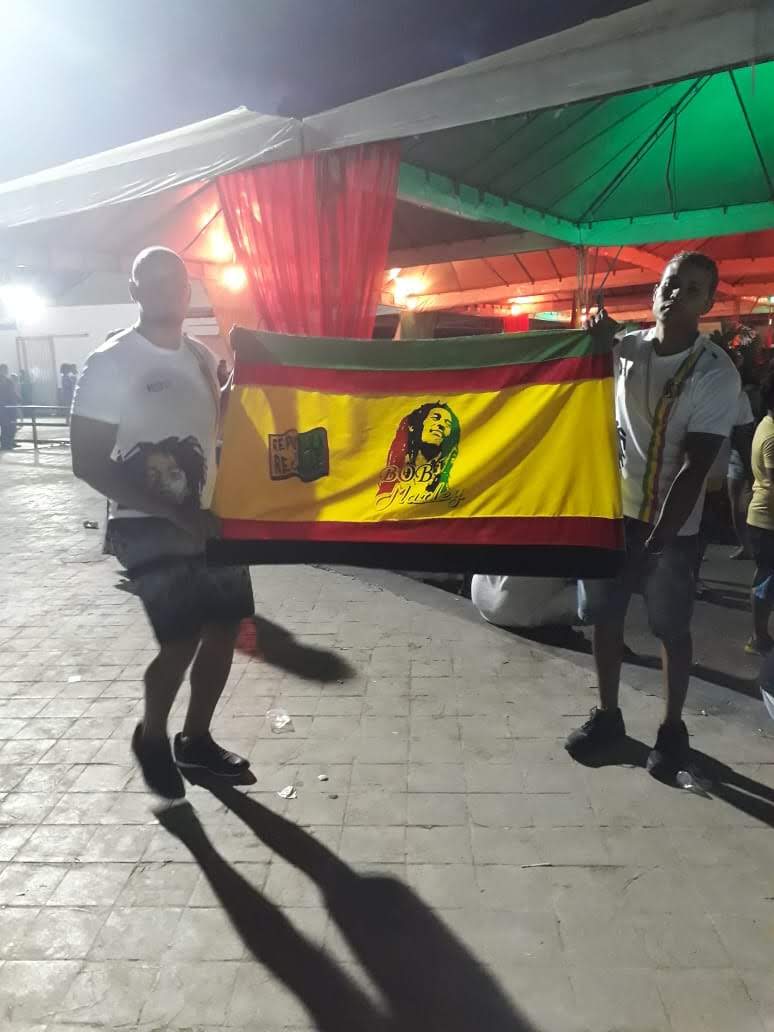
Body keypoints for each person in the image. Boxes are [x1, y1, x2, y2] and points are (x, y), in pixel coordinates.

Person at [71, 246, 255, 801]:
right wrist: (173, 511)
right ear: (134, 290)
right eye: (151, 281)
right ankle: (151, 736)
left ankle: (195, 740)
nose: (166, 289)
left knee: (224, 628)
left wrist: (239, 387)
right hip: (146, 522)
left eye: (174, 280)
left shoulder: (200, 356)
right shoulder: (110, 362)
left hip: (208, 518)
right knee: (180, 640)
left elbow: (217, 425)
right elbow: (87, 461)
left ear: (186, 289)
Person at [567, 252, 740, 778]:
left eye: (692, 289)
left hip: (672, 529)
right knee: (605, 618)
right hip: (611, 514)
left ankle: (671, 727)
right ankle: (608, 715)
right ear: (655, 290)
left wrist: (659, 538)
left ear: (707, 303)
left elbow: (696, 465)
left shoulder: (714, 373)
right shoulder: (626, 349)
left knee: (670, 628)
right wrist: (590, 337)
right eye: (669, 283)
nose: (675, 294)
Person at [745, 372, 774, 655]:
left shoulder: (765, 424)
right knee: (766, 580)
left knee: (766, 577)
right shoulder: (772, 435)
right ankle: (759, 637)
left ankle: (759, 635)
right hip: (767, 518)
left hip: (763, 515)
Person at [0, 364, 20, 450]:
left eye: (5, 370)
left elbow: (13, 391)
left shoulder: (9, 381)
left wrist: (18, 398)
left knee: (11, 426)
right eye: (3, 370)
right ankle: (5, 444)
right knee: (5, 426)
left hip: (11, 407)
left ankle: (10, 442)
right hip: (2, 407)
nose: (4, 371)